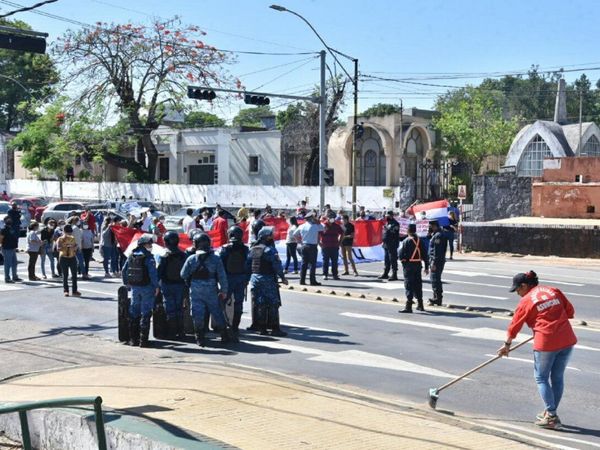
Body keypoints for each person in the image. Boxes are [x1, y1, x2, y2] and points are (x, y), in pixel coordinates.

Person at [497, 271, 577, 430]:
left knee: (541, 377)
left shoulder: (526, 301)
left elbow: (515, 325)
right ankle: (550, 413)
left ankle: (552, 416)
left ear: (524, 286)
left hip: (546, 343)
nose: (517, 294)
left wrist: (507, 345)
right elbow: (570, 312)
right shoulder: (553, 290)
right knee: (557, 377)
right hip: (567, 339)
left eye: (517, 290)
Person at [180, 233, 231, 347]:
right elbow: (222, 276)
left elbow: (183, 274)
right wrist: (224, 291)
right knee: (217, 312)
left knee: (197, 314)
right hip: (211, 290)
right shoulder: (216, 259)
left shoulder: (191, 259)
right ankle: (224, 335)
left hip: (195, 291)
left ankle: (199, 338)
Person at [246, 227, 288, 336]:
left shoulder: (253, 249)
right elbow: (277, 265)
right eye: (270, 235)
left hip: (255, 279)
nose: (272, 237)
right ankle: (275, 329)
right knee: (273, 303)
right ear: (266, 237)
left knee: (260, 303)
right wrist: (282, 277)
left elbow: (247, 265)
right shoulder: (269, 250)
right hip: (267, 278)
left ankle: (262, 328)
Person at [122, 234, 159, 347]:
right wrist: (156, 286)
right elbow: (153, 274)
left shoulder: (131, 255)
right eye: (149, 244)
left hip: (135, 288)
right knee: (146, 312)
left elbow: (124, 270)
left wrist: (127, 283)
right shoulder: (149, 257)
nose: (151, 246)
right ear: (144, 244)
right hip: (147, 288)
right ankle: (143, 341)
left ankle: (133, 339)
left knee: (134, 312)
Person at [219, 226, 250, 339]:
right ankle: (235, 328)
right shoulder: (245, 249)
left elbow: (220, 264)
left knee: (222, 303)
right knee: (239, 304)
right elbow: (248, 265)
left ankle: (224, 326)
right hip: (241, 278)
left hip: (227, 278)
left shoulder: (225, 248)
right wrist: (246, 279)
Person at [157, 231, 187, 340]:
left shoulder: (164, 255)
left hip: (167, 284)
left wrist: (156, 284)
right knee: (179, 307)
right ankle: (181, 331)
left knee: (170, 308)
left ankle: (172, 332)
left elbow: (159, 271)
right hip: (180, 284)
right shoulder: (183, 254)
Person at [398, 223, 429, 313]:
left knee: (408, 285)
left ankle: (408, 306)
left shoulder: (406, 241)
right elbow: (425, 255)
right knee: (418, 284)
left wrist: (404, 261)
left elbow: (400, 255)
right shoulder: (420, 241)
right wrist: (426, 267)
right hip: (418, 265)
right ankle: (420, 304)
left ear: (408, 230)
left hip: (409, 266)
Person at [293, 211, 324, 286]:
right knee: (312, 264)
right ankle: (312, 281)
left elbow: (294, 234)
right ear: (311, 218)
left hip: (304, 245)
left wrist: (299, 241)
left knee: (304, 264)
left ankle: (302, 280)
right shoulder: (315, 226)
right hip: (312, 246)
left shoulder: (302, 226)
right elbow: (323, 228)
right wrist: (318, 221)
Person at [56, 224, 81, 297]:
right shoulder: (60, 239)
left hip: (72, 257)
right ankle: (66, 291)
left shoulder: (72, 238)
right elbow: (58, 248)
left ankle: (74, 290)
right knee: (65, 275)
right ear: (64, 232)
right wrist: (66, 246)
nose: (69, 234)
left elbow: (76, 245)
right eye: (68, 232)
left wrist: (75, 247)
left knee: (74, 275)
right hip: (63, 257)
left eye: (70, 232)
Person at [428, 220, 447, 306]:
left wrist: (434, 263)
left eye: (430, 226)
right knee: (435, 279)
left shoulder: (438, 235)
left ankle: (438, 298)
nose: (429, 228)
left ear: (434, 226)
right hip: (437, 260)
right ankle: (435, 296)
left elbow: (437, 251)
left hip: (437, 261)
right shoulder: (436, 234)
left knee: (435, 279)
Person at [379, 211, 400, 281]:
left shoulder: (395, 223)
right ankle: (386, 273)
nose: (386, 217)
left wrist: (387, 228)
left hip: (392, 244)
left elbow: (394, 232)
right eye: (386, 216)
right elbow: (385, 233)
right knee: (386, 259)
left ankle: (394, 274)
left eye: (388, 215)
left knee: (393, 259)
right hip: (386, 244)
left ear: (391, 215)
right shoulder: (387, 222)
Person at [1, 217, 20, 283]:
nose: (10, 220)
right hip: (7, 248)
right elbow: (1, 239)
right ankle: (7, 278)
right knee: (7, 264)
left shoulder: (11, 228)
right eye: (8, 219)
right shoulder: (3, 229)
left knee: (14, 263)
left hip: (12, 248)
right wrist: (1, 246)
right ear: (5, 221)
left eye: (10, 219)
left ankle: (14, 277)